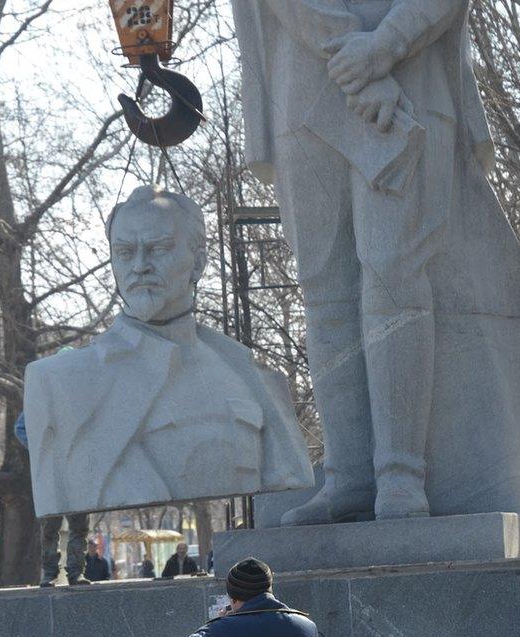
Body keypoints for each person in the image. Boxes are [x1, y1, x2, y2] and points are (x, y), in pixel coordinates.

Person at [231, 0, 520, 525]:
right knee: (323, 288)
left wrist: (385, 46)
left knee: (393, 274)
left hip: (412, 80)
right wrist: (354, 59)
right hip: (305, 86)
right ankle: (349, 475)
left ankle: (401, 477)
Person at [22, 186, 313, 517]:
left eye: (158, 249)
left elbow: (288, 473)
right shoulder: (60, 383)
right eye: (125, 252)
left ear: (198, 263)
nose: (140, 266)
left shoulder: (245, 373)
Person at [15, 410, 92, 587]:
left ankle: (76, 572)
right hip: (51, 472)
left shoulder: (78, 395)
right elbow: (20, 428)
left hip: (77, 470)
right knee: (50, 526)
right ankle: (49, 573)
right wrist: (42, 449)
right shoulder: (45, 392)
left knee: (79, 526)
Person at [179, 557, 319, 637]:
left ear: (233, 599)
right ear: (269, 590)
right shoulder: (307, 627)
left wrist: (216, 624)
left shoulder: (217, 632)